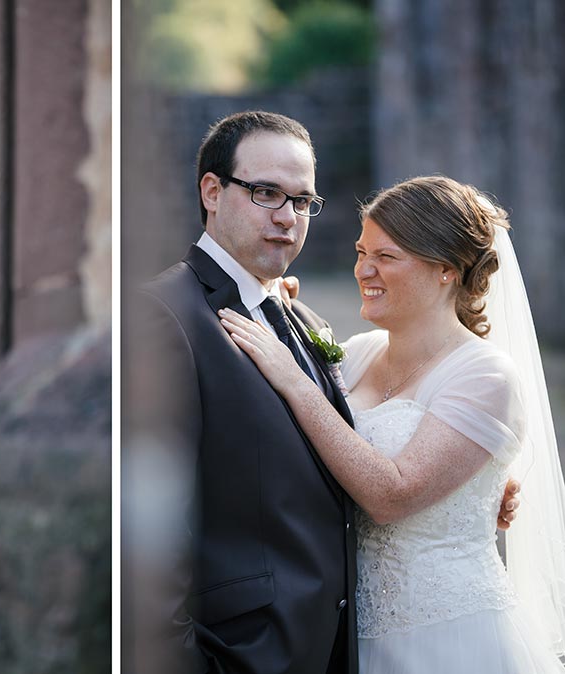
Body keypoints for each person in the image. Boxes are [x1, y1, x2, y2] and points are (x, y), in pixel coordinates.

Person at [122, 111, 519, 674]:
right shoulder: (161, 314)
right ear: (212, 191)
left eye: (302, 200)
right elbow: (140, 524)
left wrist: (478, 483)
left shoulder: (303, 321)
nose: (287, 217)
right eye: (265, 193)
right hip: (238, 654)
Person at [220, 175, 565, 672]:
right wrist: (277, 304)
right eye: (362, 252)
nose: (363, 270)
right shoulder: (355, 356)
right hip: (352, 638)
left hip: (450, 639)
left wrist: (294, 381)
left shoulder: (487, 375)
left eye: (386, 257)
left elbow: (392, 495)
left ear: (445, 269)